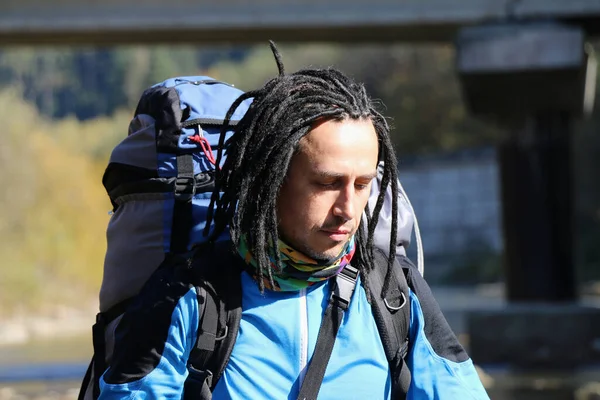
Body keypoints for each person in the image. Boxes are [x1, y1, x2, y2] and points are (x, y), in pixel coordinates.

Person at [98, 44, 490, 399]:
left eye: (362, 184)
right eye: (326, 183)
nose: (348, 209)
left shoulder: (393, 293)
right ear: (271, 179)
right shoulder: (188, 297)